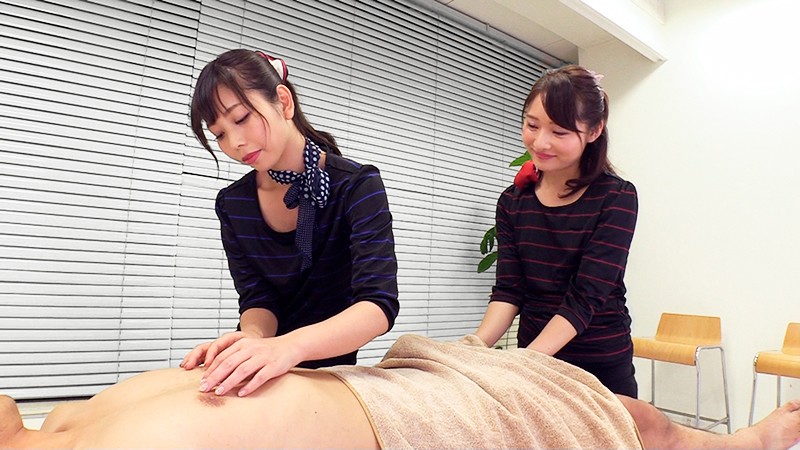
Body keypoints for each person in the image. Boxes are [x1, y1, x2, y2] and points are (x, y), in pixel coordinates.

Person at [2, 334, 799, 449]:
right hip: (411, 426)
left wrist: (263, 340)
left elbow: (370, 301)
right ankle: (744, 444)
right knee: (630, 422)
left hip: (382, 378)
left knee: (608, 404)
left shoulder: (68, 417)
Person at [181, 48, 399, 397]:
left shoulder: (356, 186)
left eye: (241, 118)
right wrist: (250, 339)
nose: (235, 143)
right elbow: (259, 297)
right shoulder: (233, 204)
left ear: (283, 102)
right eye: (219, 134)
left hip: (330, 378)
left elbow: (377, 306)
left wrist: (288, 348)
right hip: (264, 366)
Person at [475, 64, 639, 397]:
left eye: (560, 132)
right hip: (536, 364)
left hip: (599, 366)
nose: (541, 142)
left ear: (594, 130)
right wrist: (472, 347)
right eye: (532, 125)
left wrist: (526, 360)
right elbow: (509, 290)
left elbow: (585, 298)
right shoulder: (512, 202)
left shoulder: (616, 197)